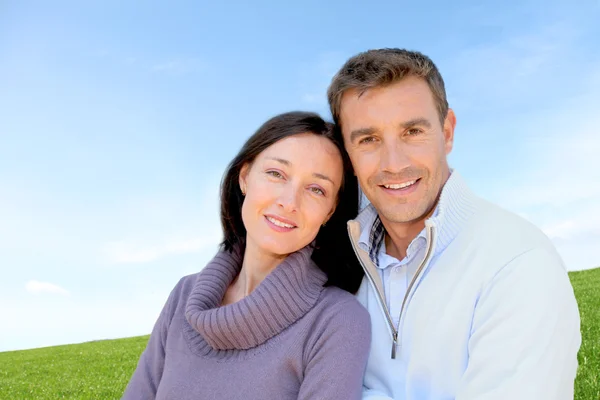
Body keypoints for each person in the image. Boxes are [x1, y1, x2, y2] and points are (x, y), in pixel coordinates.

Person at [327, 49, 581, 400]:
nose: (394, 163)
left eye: (412, 131)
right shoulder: (337, 263)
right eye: (368, 139)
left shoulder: (519, 263)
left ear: (447, 133)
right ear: (346, 154)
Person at [122, 111, 371, 400]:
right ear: (244, 177)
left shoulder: (337, 322)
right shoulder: (183, 295)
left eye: (316, 189)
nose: (289, 202)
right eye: (276, 174)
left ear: (330, 211)